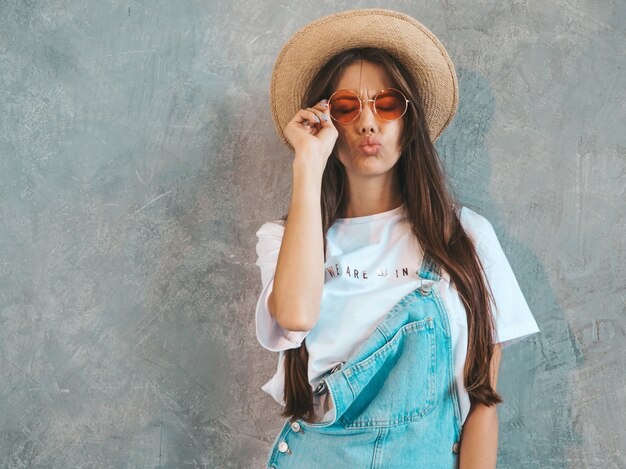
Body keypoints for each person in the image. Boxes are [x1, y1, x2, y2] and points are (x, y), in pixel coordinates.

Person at [254, 8, 540, 469]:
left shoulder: (464, 238)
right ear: (327, 121)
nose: (368, 123)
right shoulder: (284, 240)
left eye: (386, 104)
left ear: (409, 121)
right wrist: (307, 165)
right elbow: (295, 315)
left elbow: (483, 401)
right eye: (347, 107)